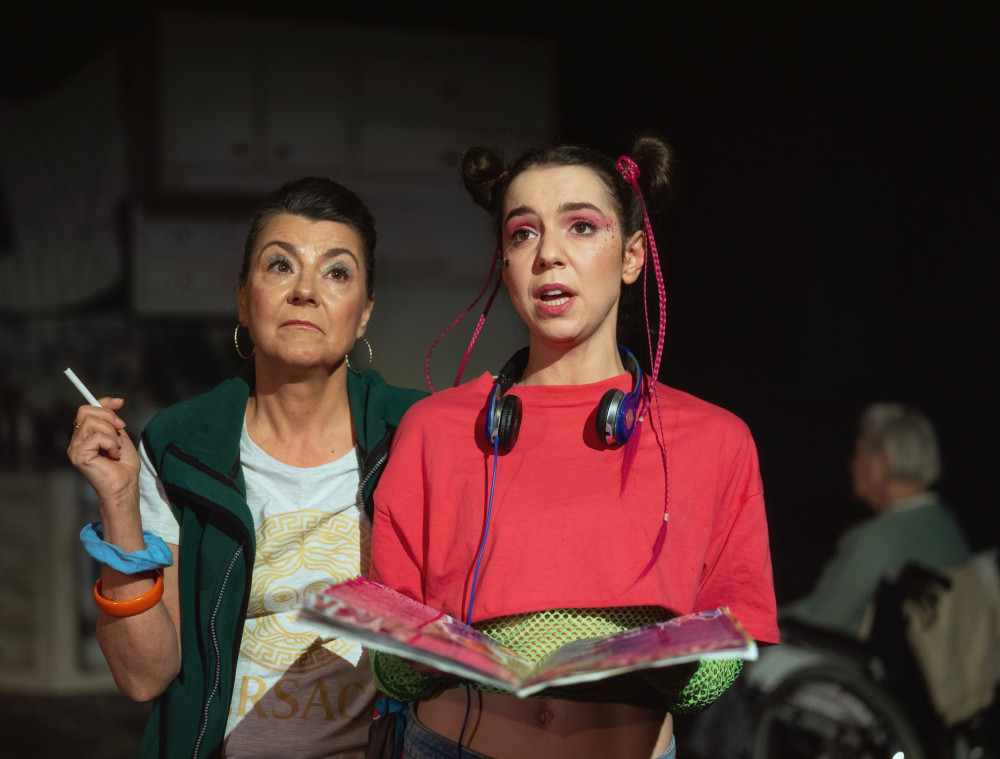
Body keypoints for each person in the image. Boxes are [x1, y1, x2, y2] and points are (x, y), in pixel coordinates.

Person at [368, 135, 779, 759]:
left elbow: (733, 630)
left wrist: (679, 671)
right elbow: (389, 648)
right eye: (523, 233)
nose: (549, 255)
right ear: (504, 263)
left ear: (633, 255)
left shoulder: (716, 440)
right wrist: (409, 661)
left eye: (581, 226)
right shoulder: (434, 430)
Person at [66, 177, 426, 759]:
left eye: (337, 272)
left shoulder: (417, 434)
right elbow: (143, 676)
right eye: (280, 266)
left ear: (364, 313)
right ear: (243, 299)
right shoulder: (182, 445)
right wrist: (120, 501)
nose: (305, 291)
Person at [780, 401, 971, 637]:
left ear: (883, 462)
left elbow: (819, 619)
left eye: (858, 453)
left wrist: (741, 624)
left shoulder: (877, 538)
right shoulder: (946, 523)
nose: (852, 465)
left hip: (862, 657)